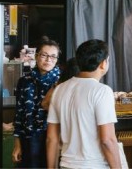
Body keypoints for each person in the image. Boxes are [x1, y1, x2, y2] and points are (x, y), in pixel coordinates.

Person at [46, 39, 121, 168]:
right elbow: (107, 140)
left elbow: (51, 139)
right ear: (103, 64)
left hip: (66, 165)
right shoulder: (102, 91)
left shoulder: (59, 89)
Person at [12, 40, 61, 168]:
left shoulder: (61, 82)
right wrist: (17, 144)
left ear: (56, 59)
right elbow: (19, 113)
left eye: (53, 56)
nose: (48, 59)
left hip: (52, 138)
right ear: (37, 56)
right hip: (27, 138)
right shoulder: (24, 81)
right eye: (44, 55)